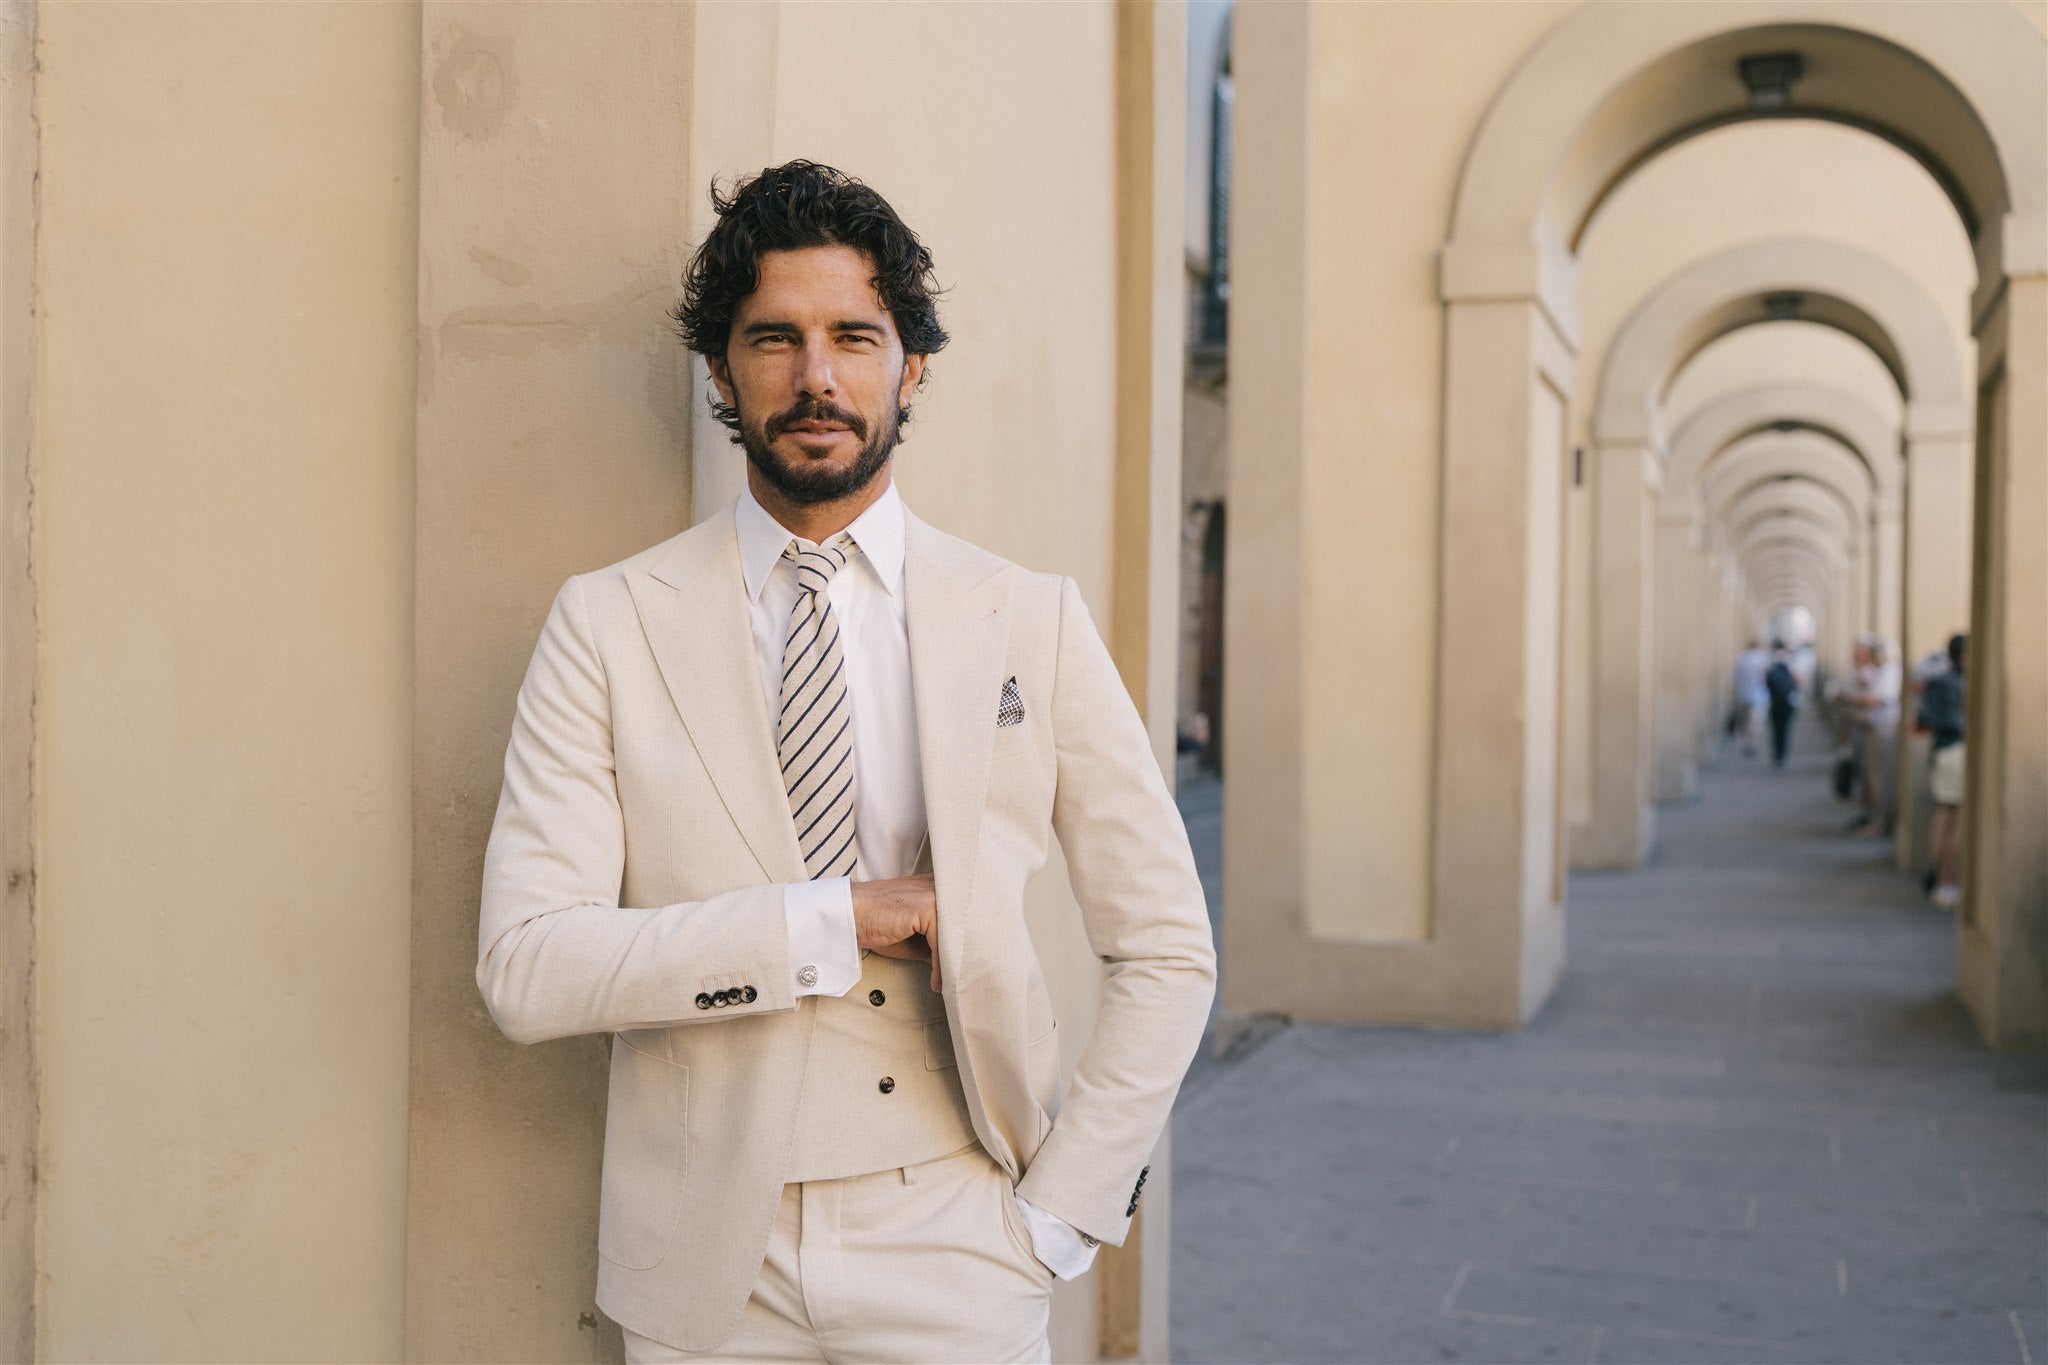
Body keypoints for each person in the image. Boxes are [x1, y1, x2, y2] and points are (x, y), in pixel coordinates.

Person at [476, 162, 1217, 1362]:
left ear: (908, 366)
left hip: (959, 1241)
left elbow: (1167, 946)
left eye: (853, 337)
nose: (814, 376)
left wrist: (1061, 1214)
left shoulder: (1026, 618)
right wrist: (834, 920)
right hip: (706, 1268)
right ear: (721, 370)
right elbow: (527, 969)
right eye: (773, 338)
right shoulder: (609, 623)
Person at [1916, 633, 1967, 907]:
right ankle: (1947, 882)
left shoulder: (1936, 681)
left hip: (1942, 750)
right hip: (1958, 750)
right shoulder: (1962, 683)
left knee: (1944, 814)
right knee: (1956, 821)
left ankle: (1935, 873)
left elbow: (1924, 720)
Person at [1840, 635, 1902, 835]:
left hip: (1883, 730)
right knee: (1872, 776)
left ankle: (1881, 821)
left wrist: (1850, 698)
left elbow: (1876, 699)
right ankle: (1874, 817)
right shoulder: (1880, 671)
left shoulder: (1890, 672)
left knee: (1880, 778)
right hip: (1872, 728)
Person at [1730, 639, 1770, 757]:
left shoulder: (1741, 659)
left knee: (1745, 720)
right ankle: (1751, 742)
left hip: (1743, 695)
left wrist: (1735, 695)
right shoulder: (1763, 659)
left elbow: (1734, 679)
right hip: (1759, 696)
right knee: (1755, 722)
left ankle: (1747, 741)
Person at [1764, 639, 1800, 768]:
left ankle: (1776, 755)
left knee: (1775, 728)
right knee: (1785, 728)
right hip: (1788, 700)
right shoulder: (1791, 661)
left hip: (1774, 700)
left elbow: (1765, 679)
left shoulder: (1771, 660)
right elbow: (1799, 680)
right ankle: (1782, 755)